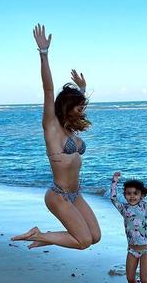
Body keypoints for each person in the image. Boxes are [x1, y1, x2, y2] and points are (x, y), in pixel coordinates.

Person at [11, 24, 101, 250]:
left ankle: (44, 236)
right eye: (79, 107)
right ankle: (39, 235)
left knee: (95, 236)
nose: (82, 111)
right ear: (67, 107)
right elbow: (49, 90)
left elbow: (74, 104)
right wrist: (44, 54)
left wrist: (82, 89)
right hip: (58, 195)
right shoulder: (51, 127)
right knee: (83, 242)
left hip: (75, 194)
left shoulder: (70, 129)